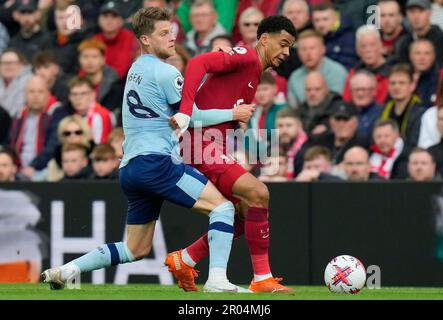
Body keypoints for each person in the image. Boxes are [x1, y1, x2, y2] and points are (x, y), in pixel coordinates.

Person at [41, 7, 249, 293]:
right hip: (157, 164)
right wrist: (233, 113)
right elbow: (194, 116)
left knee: (135, 248)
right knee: (223, 208)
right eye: (164, 33)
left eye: (172, 31)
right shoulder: (166, 71)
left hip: (130, 169)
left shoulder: (135, 70)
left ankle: (67, 270)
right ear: (145, 40)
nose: (172, 37)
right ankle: (216, 280)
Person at [165, 15, 297, 293]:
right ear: (264, 39)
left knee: (244, 213)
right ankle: (262, 278)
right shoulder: (247, 57)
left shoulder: (254, 72)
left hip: (211, 145)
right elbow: (199, 62)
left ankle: (186, 258)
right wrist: (186, 110)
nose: (286, 52)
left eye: (290, 47)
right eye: (283, 44)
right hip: (200, 144)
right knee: (259, 193)